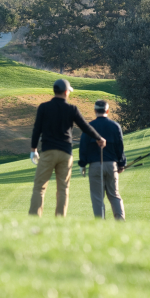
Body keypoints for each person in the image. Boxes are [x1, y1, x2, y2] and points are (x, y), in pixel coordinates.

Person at [29, 79, 106, 217]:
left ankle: (34, 217)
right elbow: (85, 127)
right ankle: (60, 219)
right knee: (63, 189)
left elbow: (37, 130)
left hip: (48, 152)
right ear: (66, 92)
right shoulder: (72, 109)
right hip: (65, 153)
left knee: (40, 187)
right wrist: (99, 138)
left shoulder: (44, 107)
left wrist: (33, 149)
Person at [78, 100, 126, 220]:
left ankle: (101, 224)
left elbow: (83, 147)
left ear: (95, 111)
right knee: (114, 195)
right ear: (107, 111)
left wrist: (82, 164)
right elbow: (120, 147)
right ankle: (120, 222)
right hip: (111, 165)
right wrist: (121, 164)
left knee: (97, 197)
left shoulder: (89, 127)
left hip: (95, 166)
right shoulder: (115, 126)